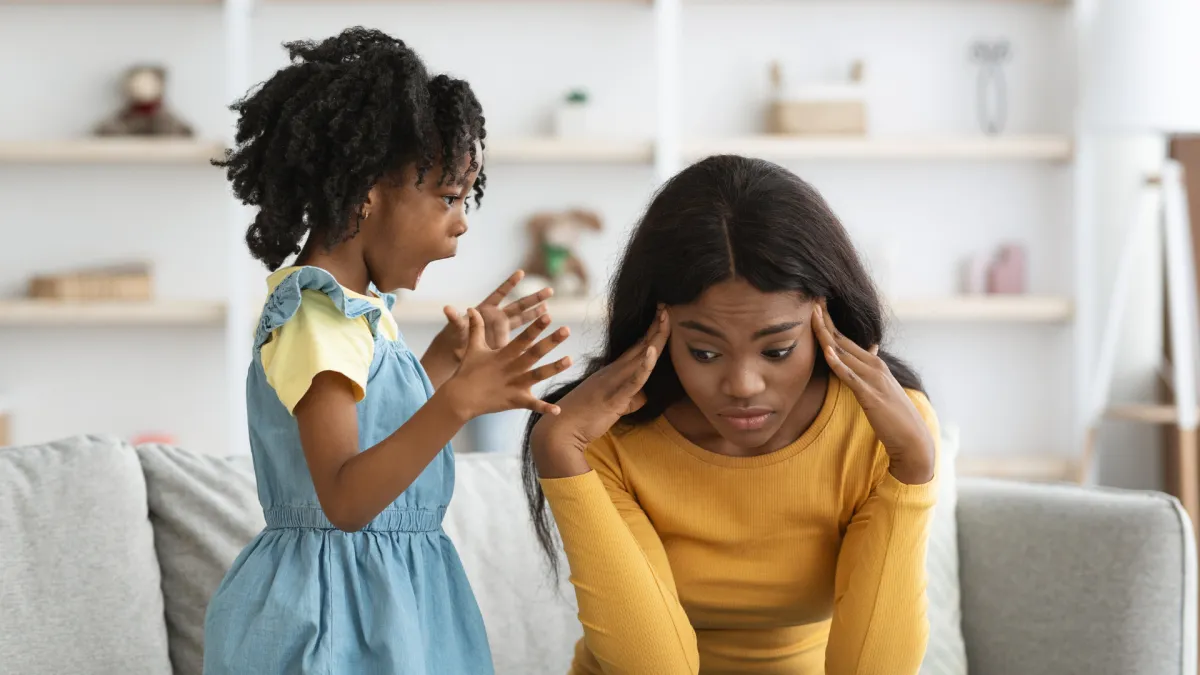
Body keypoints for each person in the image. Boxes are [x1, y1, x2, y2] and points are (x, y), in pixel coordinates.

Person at [203, 28, 570, 674]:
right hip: (332, 617)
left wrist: (443, 362)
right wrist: (457, 403)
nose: (462, 221)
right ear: (367, 192)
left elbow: (377, 430)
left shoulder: (358, 319)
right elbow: (345, 498)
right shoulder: (315, 320)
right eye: (449, 197)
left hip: (389, 601)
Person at [523, 154, 939, 674]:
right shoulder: (600, 436)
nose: (742, 386)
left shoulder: (883, 430)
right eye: (705, 352)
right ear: (660, 330)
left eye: (778, 350)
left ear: (825, 323)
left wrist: (914, 468)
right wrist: (556, 448)